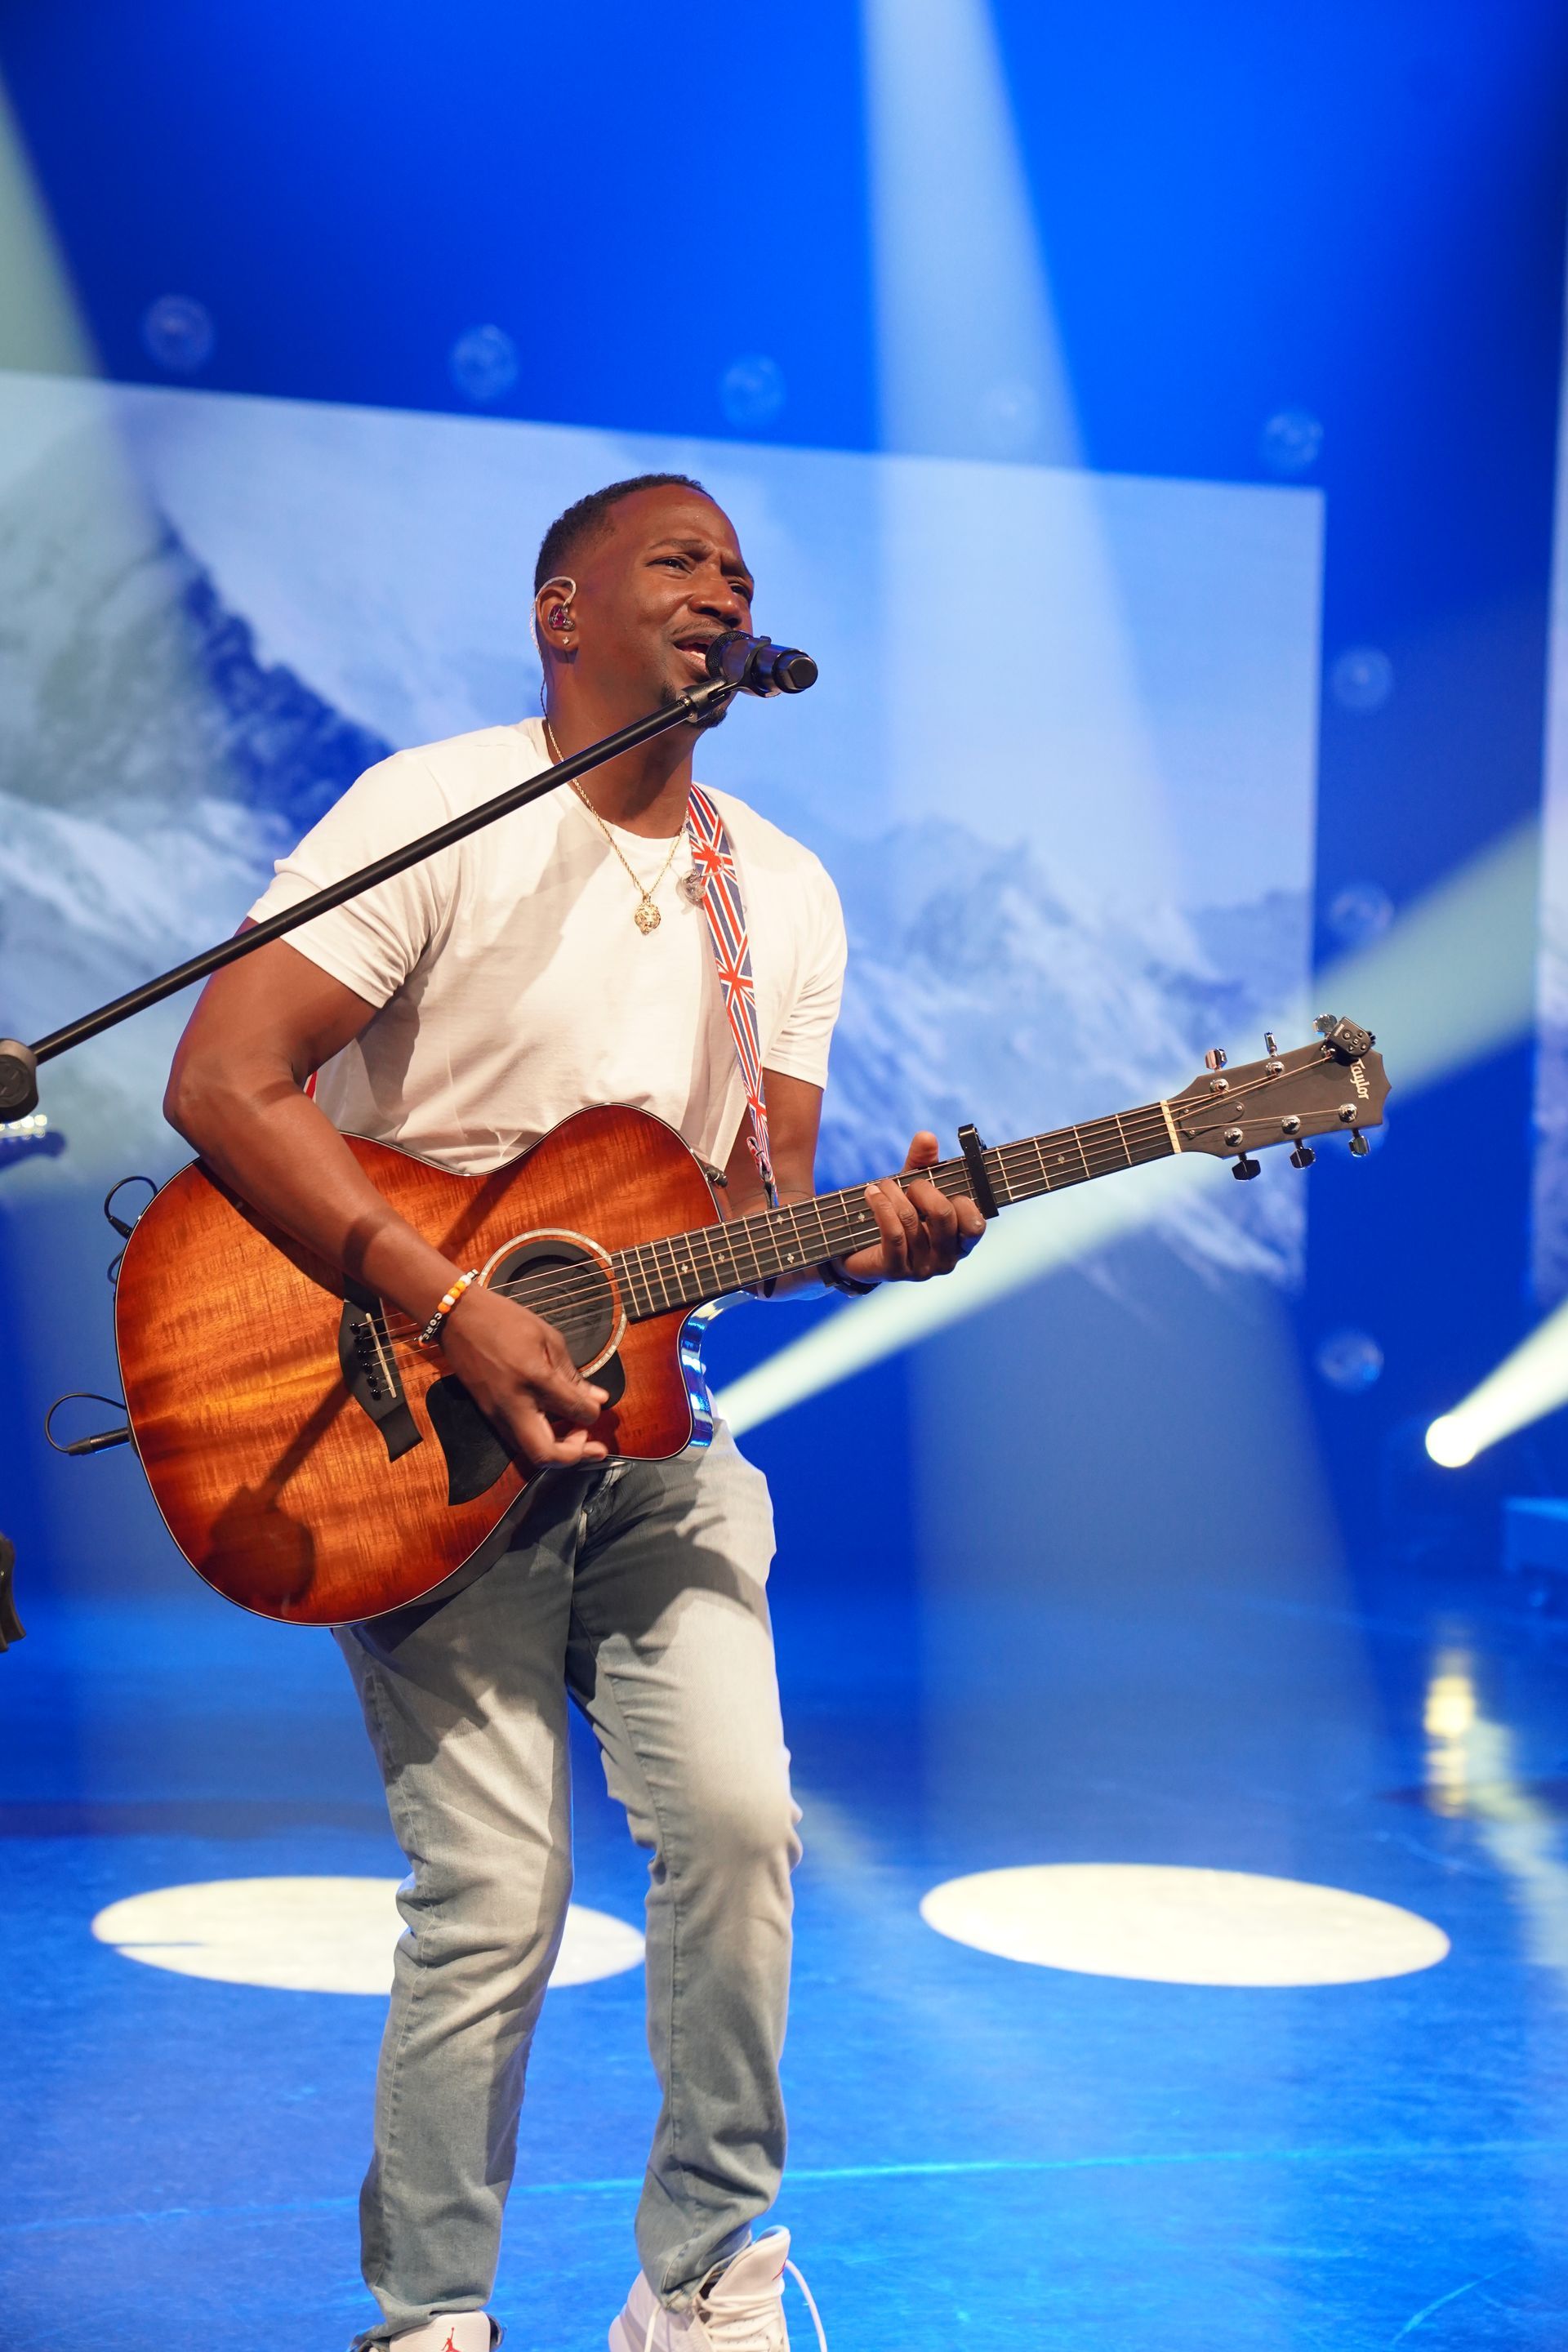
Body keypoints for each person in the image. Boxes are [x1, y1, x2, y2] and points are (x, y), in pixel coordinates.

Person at [164, 474, 985, 2352]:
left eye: (742, 573)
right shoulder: (434, 812)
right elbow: (223, 1078)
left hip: (653, 1449)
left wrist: (880, 1234)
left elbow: (756, 1202)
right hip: (400, 1426)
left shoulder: (774, 893)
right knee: (496, 1891)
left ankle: (706, 2276)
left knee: (745, 1822)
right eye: (680, 561)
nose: (723, 590)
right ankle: (429, 2316)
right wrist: (451, 1305)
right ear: (564, 611)